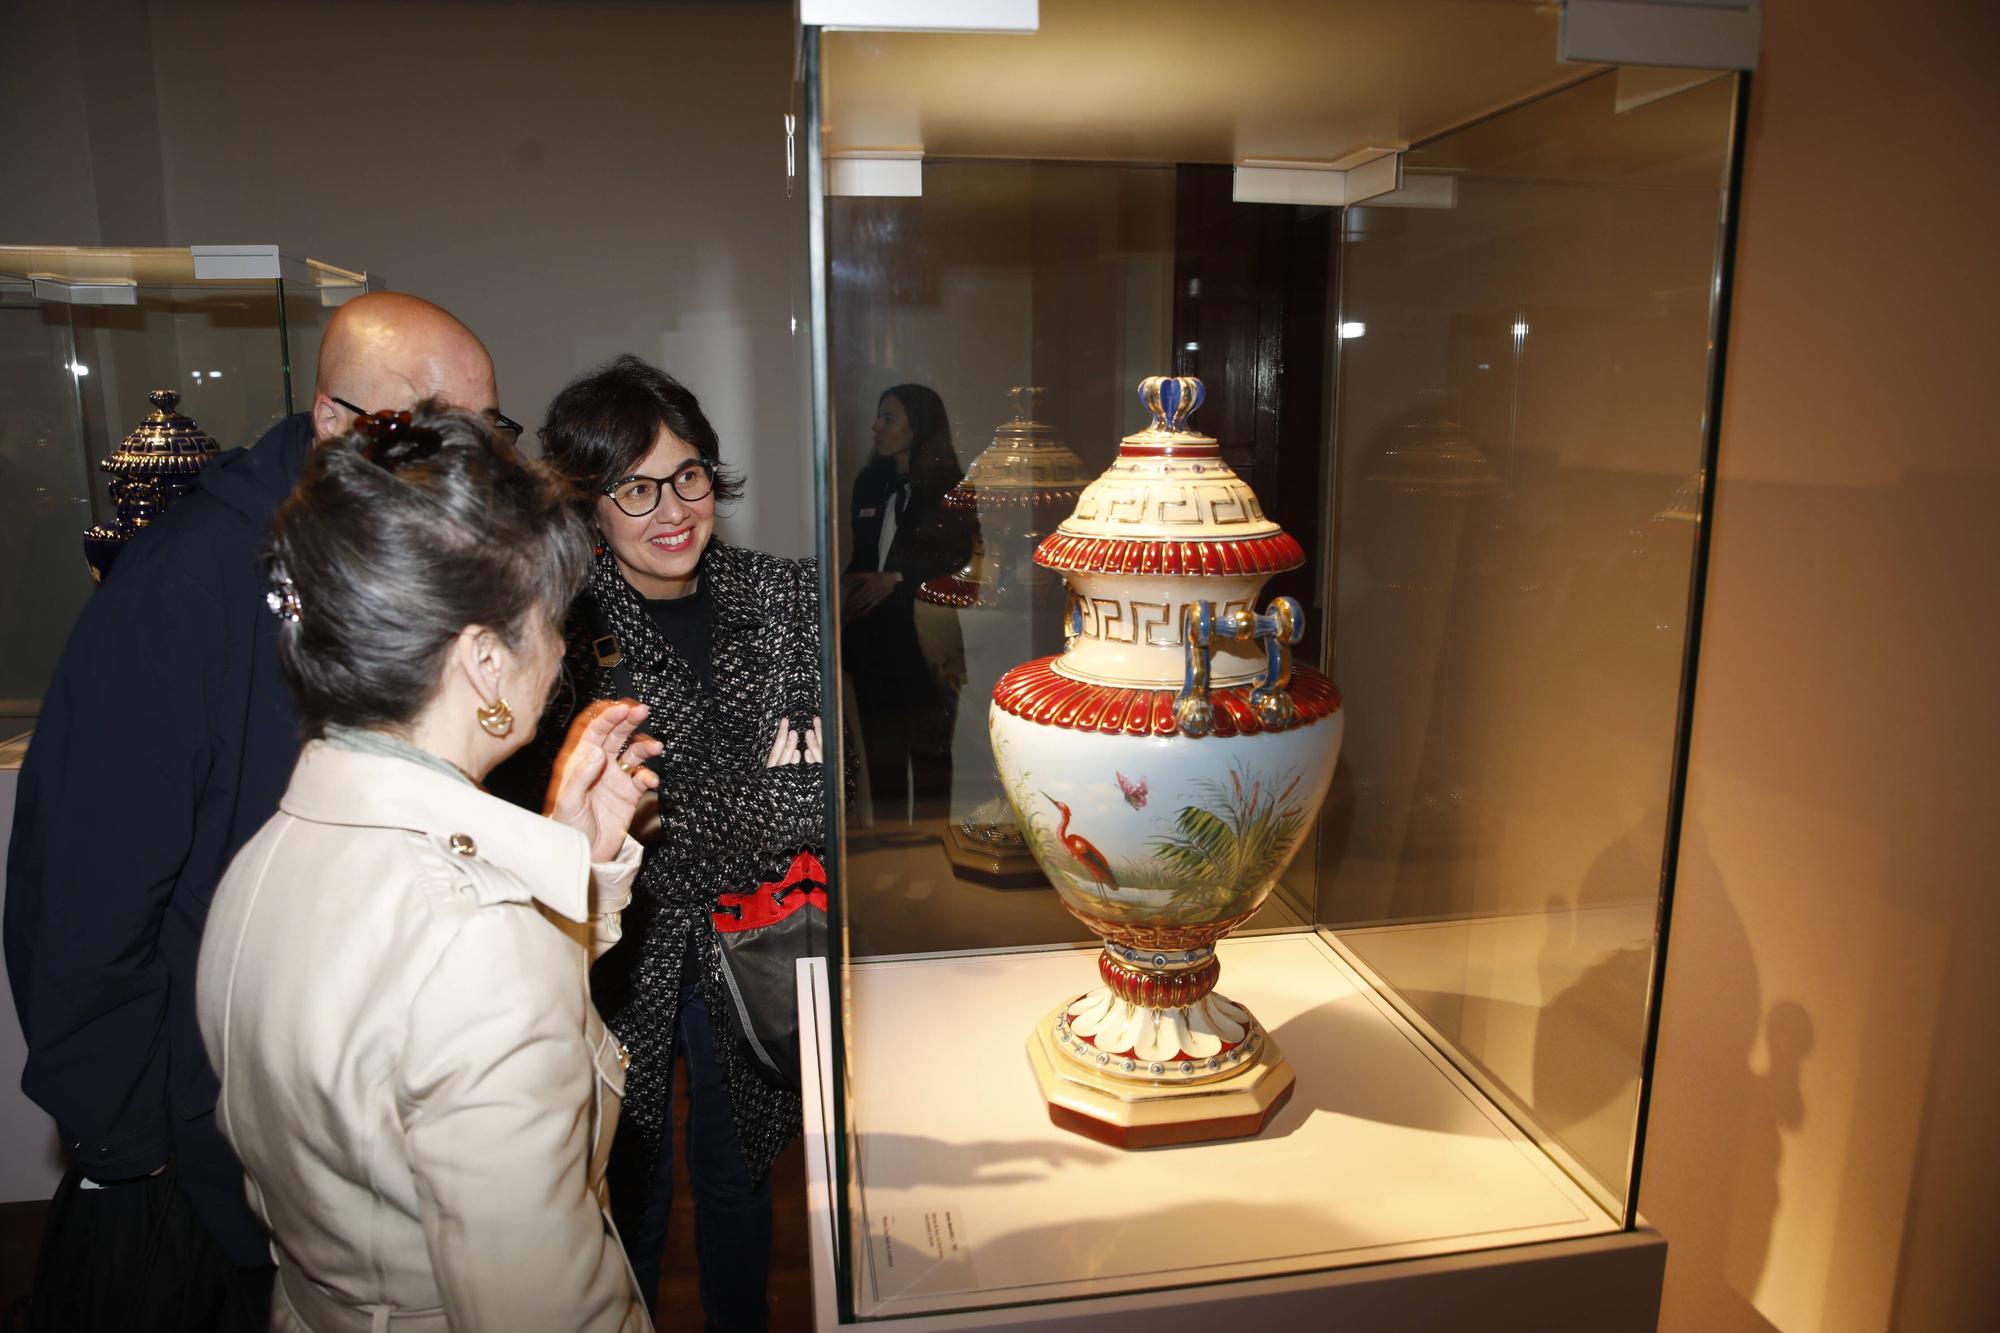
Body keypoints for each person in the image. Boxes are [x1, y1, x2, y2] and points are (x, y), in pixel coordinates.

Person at [4, 292, 504, 1328]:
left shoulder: (389, 555)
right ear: (330, 423)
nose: (465, 460)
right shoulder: (187, 581)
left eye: (482, 429)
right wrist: (135, 1144)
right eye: (430, 425)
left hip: (325, 1134)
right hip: (193, 1160)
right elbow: (83, 900)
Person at [197, 404, 652, 1330]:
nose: (562, 649)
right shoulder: (474, 939)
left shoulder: (269, 850)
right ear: (485, 661)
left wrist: (572, 859)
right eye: (550, 620)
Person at [499, 353, 822, 1328]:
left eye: (686, 474)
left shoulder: (787, 597)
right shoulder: (556, 630)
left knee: (737, 1176)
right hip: (619, 944)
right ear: (587, 505)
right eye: (633, 488)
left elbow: (819, 782)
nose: (671, 507)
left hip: (760, 931)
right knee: (625, 1181)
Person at [842, 383, 974, 821]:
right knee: (883, 761)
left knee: (931, 754)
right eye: (879, 416)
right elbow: (863, 557)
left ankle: (934, 855)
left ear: (918, 427)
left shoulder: (951, 486)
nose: (875, 426)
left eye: (888, 418)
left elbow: (959, 556)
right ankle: (890, 856)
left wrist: (896, 579)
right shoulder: (869, 484)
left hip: (924, 638)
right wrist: (848, 591)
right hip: (873, 640)